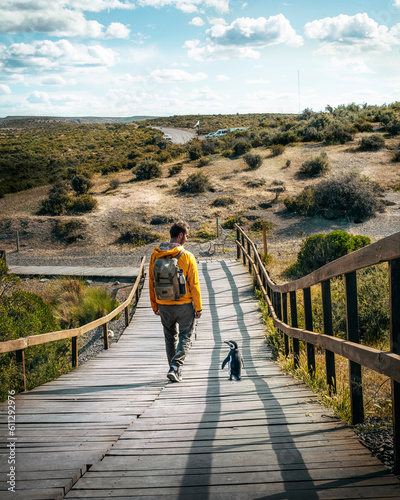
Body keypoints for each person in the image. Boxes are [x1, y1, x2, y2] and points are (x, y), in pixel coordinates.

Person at [149, 221, 202, 382]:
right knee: (185, 337)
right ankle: (175, 367)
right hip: (184, 304)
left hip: (164, 304)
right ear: (180, 236)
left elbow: (151, 281)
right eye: (186, 235)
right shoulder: (187, 256)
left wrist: (154, 304)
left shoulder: (155, 255)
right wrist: (198, 308)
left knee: (170, 337)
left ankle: (173, 368)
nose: (186, 239)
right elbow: (194, 284)